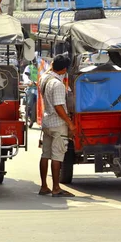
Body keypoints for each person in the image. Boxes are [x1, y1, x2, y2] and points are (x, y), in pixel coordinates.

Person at [38, 54, 75, 198]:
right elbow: (59, 107)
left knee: (45, 155)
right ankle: (56, 188)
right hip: (58, 124)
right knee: (57, 156)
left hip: (47, 122)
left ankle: (44, 186)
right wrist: (70, 123)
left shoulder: (44, 78)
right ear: (64, 69)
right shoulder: (58, 84)